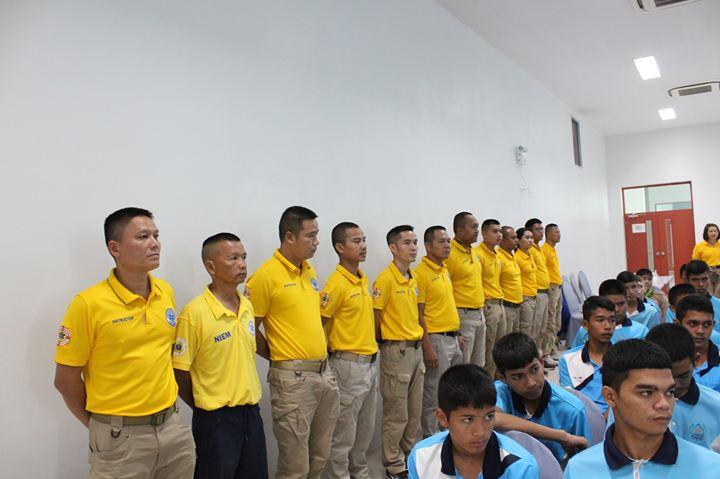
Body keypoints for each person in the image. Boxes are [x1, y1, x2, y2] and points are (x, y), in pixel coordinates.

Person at [54, 207, 195, 478]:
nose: (154, 244)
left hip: (173, 429)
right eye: (143, 237)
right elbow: (65, 380)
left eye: (156, 235)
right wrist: (102, 426)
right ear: (115, 248)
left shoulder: (164, 292)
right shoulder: (88, 304)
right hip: (120, 438)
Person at [245, 206, 339, 479]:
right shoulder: (265, 277)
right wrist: (278, 356)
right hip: (293, 380)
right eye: (311, 235)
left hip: (324, 374)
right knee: (295, 465)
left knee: (320, 455)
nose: (317, 242)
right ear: (289, 236)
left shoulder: (308, 270)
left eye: (317, 234)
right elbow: (248, 330)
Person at [173, 233, 267, 478]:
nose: (242, 264)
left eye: (244, 257)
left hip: (251, 414)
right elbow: (179, 370)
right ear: (211, 267)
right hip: (215, 420)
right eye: (233, 258)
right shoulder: (194, 313)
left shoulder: (247, 306)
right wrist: (203, 404)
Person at [563, 339, 720, 478]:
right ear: (610, 397)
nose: (664, 404)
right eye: (646, 393)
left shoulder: (710, 468)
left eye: (669, 392)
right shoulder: (579, 469)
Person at [407, 364, 540, 479]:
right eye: (468, 419)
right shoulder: (422, 458)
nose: (480, 432)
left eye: (489, 416)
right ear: (443, 418)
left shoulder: (521, 467)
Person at [320, 222, 378, 479]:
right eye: (356, 241)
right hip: (347, 366)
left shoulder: (361, 279)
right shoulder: (336, 284)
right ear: (340, 248)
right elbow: (319, 323)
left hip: (369, 363)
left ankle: (360, 473)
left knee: (364, 431)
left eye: (364, 240)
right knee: (343, 433)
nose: (363, 245)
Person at [373, 225, 425, 479]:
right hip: (397, 351)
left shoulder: (412, 278)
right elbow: (375, 317)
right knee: (397, 413)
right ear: (393, 248)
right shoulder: (385, 279)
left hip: (415, 350)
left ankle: (408, 454)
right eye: (407, 243)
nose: (413, 247)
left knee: (414, 411)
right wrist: (385, 344)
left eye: (415, 242)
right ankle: (393, 463)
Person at [493, 333, 591, 462]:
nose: (531, 383)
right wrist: (560, 436)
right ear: (503, 378)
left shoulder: (572, 410)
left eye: (534, 369)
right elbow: (492, 418)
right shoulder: (500, 392)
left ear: (542, 362)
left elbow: (584, 462)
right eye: (518, 377)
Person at [416, 226, 463, 438]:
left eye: (448, 241)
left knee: (452, 390)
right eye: (441, 242)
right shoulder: (421, 274)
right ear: (428, 245)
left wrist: (457, 333)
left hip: (452, 338)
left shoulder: (444, 269)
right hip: (436, 340)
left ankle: (447, 432)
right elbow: (419, 314)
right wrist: (427, 347)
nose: (447, 246)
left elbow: (447, 304)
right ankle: (431, 437)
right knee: (434, 393)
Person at [646, 323, 720, 451]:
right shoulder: (628, 405)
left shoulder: (716, 406)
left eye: (682, 376)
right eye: (666, 377)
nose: (675, 385)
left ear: (696, 361)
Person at [560, 296, 615, 413]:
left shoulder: (623, 358)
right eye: (600, 320)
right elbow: (569, 403)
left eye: (612, 320)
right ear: (585, 325)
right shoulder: (567, 360)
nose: (608, 326)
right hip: (584, 419)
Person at [445, 212, 485, 366]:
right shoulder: (449, 254)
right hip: (463, 316)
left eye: (477, 227)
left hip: (480, 314)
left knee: (478, 363)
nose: (477, 231)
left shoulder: (474, 252)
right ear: (460, 230)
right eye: (473, 227)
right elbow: (446, 291)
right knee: (464, 364)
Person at [571, 280, 648, 348]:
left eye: (621, 304)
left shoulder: (641, 331)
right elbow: (575, 355)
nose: (616, 309)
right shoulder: (586, 330)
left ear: (627, 302)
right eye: (611, 304)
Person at [477, 219, 506, 378]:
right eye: (495, 231)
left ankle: (497, 380)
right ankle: (488, 382)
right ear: (484, 233)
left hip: (500, 304)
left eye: (500, 231)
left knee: (500, 348)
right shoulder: (478, 255)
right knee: (488, 351)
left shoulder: (496, 255)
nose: (499, 235)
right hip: (488, 306)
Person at [674, 294, 720, 392]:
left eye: (707, 324)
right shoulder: (665, 360)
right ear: (677, 324)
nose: (700, 331)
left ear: (713, 325)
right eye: (693, 324)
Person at [525, 218, 552, 368]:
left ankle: (540, 358)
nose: (541, 232)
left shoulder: (539, 249)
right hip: (536, 293)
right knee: (534, 330)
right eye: (537, 229)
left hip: (545, 292)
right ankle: (534, 362)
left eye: (542, 229)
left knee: (542, 328)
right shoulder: (529, 251)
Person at [541, 223, 562, 365]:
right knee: (551, 321)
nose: (559, 234)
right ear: (548, 234)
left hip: (558, 287)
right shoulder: (544, 250)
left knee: (556, 322)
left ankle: (553, 349)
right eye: (556, 232)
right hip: (551, 288)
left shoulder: (552, 249)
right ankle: (546, 352)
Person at [498, 227, 523, 334]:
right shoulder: (499, 257)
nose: (516, 240)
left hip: (517, 306)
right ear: (502, 240)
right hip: (507, 306)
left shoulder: (512, 256)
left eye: (516, 237)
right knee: (507, 339)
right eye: (513, 238)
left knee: (516, 339)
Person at [514, 228, 537, 340]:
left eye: (532, 238)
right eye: (527, 238)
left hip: (534, 296)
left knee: (533, 328)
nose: (530, 240)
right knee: (525, 329)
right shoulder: (517, 257)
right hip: (525, 297)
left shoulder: (530, 254)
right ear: (518, 240)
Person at [684, 260, 720, 328]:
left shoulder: (718, 305)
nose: (701, 284)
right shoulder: (679, 306)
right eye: (695, 280)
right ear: (687, 281)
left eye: (704, 279)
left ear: (709, 278)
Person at [692, 223, 720, 296]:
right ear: (706, 233)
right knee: (708, 293)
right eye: (710, 231)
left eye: (715, 231)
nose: (713, 233)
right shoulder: (699, 246)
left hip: (719, 270)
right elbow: (695, 261)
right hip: (706, 272)